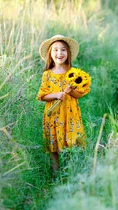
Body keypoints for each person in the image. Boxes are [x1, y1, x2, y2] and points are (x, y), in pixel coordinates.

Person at [37, 34, 90, 175]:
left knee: (72, 141)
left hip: (70, 113)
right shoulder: (47, 75)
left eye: (63, 50)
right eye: (55, 50)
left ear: (68, 53)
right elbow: (42, 95)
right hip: (54, 114)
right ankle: (55, 175)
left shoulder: (73, 73)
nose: (59, 53)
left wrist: (71, 90)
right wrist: (57, 94)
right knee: (54, 145)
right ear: (50, 54)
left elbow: (80, 94)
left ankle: (71, 171)